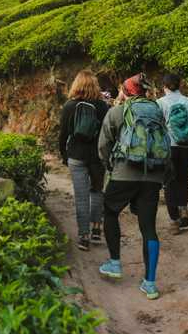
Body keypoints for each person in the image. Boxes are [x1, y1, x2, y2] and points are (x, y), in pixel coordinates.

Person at [98, 73, 171, 300]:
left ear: (126, 91)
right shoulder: (156, 111)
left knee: (110, 212)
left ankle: (115, 262)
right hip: (153, 176)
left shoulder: (117, 112)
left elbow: (103, 146)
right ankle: (149, 283)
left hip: (124, 173)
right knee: (148, 227)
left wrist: (111, 165)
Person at [59, 69, 111, 251]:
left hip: (76, 155)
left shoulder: (69, 106)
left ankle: (84, 236)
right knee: (97, 192)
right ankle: (97, 229)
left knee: (81, 197)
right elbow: (107, 134)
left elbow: (63, 134)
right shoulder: (103, 106)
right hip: (97, 156)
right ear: (94, 85)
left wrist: (64, 156)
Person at [156, 73, 188, 235]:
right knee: (183, 178)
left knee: (169, 182)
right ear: (180, 85)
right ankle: (183, 208)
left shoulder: (160, 103)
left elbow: (158, 127)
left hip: (170, 147)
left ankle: (174, 220)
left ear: (164, 86)